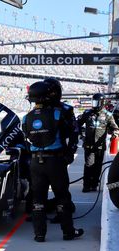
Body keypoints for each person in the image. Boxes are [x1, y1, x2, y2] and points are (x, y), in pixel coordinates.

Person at [22, 81, 84, 242]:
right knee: (62, 196)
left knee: (38, 198)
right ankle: (68, 232)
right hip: (55, 160)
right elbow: (71, 133)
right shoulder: (59, 113)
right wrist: (68, 154)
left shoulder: (25, 118)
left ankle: (39, 234)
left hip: (36, 162)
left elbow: (26, 140)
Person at [44, 78, 78, 223]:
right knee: (40, 186)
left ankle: (63, 212)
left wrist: (70, 152)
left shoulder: (66, 109)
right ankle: (40, 212)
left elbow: (74, 132)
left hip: (60, 153)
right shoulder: (39, 108)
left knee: (60, 187)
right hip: (41, 153)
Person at [77, 93, 119, 192]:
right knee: (89, 165)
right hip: (88, 145)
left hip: (100, 146)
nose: (95, 104)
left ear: (102, 102)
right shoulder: (87, 113)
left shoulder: (108, 115)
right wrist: (81, 135)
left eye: (97, 102)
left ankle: (94, 184)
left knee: (98, 166)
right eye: (94, 102)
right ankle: (86, 185)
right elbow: (77, 124)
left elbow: (115, 128)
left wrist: (114, 134)